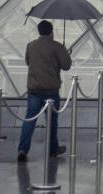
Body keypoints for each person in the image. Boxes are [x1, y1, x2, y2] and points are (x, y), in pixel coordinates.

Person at [17, 20, 71, 161]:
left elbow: (28, 62)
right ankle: (52, 150)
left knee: (30, 120)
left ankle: (23, 149)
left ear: (39, 31)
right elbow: (66, 66)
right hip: (51, 91)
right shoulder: (57, 47)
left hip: (34, 90)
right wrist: (64, 52)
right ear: (51, 32)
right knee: (52, 122)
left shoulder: (31, 46)